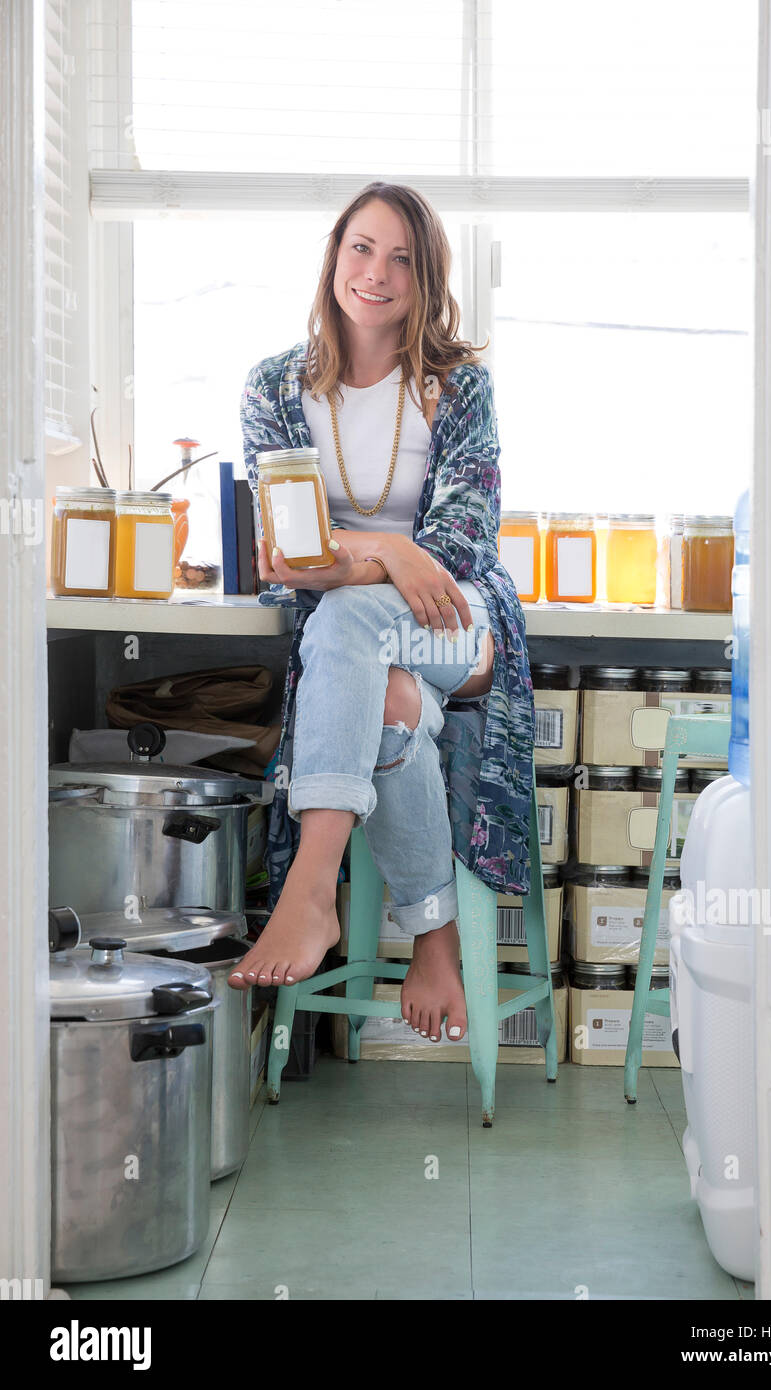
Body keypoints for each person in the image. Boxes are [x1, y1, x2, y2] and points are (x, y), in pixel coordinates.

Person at [231, 181, 535, 1047]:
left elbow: (462, 545)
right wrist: (393, 549)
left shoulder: (458, 386)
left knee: (346, 622)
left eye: (402, 257)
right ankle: (434, 938)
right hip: (374, 641)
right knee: (393, 702)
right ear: (335, 256)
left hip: (462, 625)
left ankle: (309, 889)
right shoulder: (276, 386)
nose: (377, 271)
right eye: (362, 248)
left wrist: (380, 557)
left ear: (426, 277)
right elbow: (282, 556)